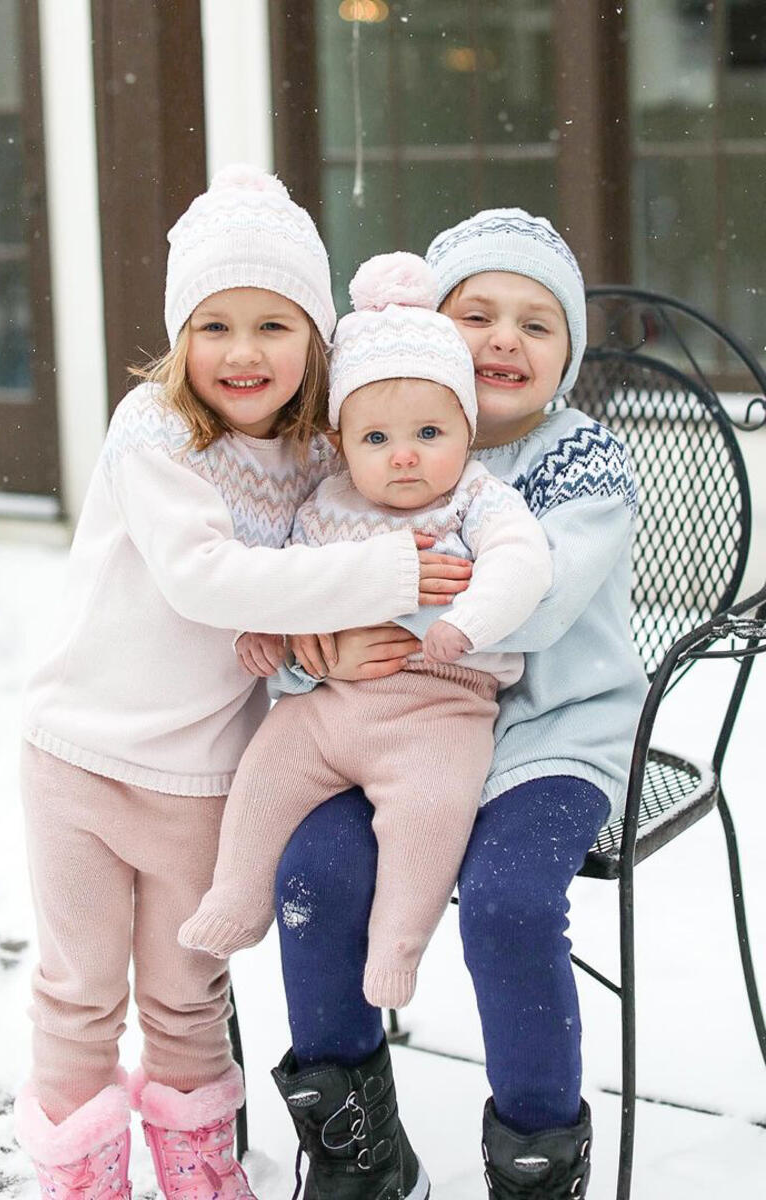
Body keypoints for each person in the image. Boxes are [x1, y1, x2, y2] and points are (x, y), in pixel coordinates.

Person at [12, 166, 471, 1200]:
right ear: (180, 338)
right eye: (214, 324)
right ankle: (81, 1180)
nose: (242, 351)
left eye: (274, 324)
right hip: (80, 759)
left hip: (207, 777)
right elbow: (207, 579)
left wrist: (332, 647)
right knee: (79, 991)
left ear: (313, 337)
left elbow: (300, 588)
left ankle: (200, 1173)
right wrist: (386, 576)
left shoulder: (317, 455)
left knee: (185, 994)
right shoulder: (155, 432)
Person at [270, 210, 649, 1200]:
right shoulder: (367, 442)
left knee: (506, 902)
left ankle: (534, 1157)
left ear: (565, 354)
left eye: (536, 322)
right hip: (391, 728)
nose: (502, 339)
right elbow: (292, 577)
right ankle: (356, 1151)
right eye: (475, 312)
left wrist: (354, 589)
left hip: (547, 740)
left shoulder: (582, 461)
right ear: (427, 331)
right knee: (311, 874)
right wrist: (317, 640)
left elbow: (533, 599)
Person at [178, 252, 552, 1022]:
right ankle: (237, 892)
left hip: (437, 714)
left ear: (466, 431)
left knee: (432, 810)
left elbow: (524, 563)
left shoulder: (479, 499)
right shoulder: (326, 504)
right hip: (331, 705)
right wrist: (271, 632)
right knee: (267, 767)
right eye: (377, 437)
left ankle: (398, 943)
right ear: (343, 443)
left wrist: (466, 622)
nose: (404, 454)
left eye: (428, 432)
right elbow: (288, 576)